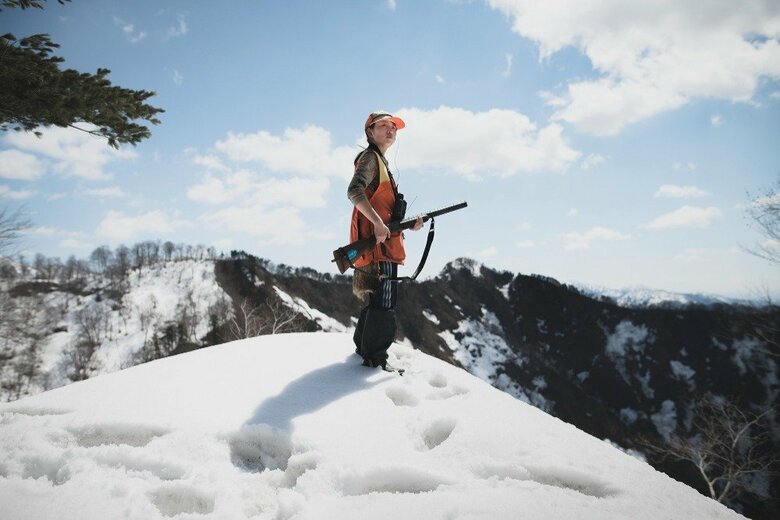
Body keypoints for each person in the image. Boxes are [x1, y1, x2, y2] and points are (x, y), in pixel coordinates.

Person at [347, 111, 423, 370]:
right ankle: (375, 358)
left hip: (380, 242)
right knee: (385, 302)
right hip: (378, 245)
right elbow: (354, 191)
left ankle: (363, 348)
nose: (391, 130)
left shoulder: (379, 161)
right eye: (384, 126)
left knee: (377, 298)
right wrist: (379, 224)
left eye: (394, 127)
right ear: (370, 132)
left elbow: (383, 207)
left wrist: (406, 224)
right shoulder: (370, 158)